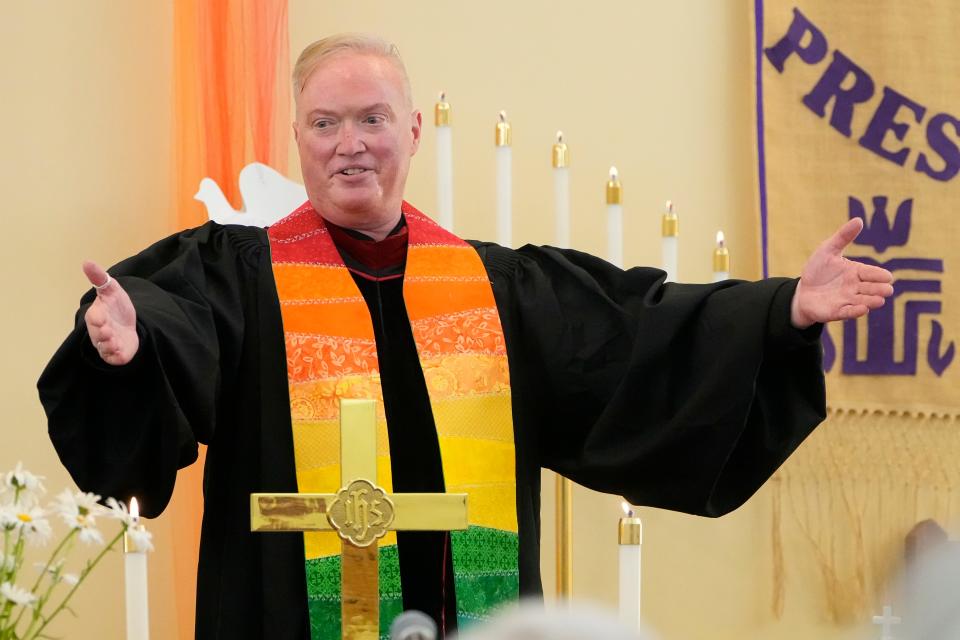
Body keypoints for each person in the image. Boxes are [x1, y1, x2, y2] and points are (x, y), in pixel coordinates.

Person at [38, 34, 893, 640]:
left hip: (469, 617)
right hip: (288, 619)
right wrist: (130, 345)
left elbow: (634, 331)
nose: (349, 145)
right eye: (325, 123)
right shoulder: (238, 274)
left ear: (413, 131)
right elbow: (176, 324)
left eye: (372, 119)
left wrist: (782, 312)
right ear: (297, 137)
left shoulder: (495, 289)